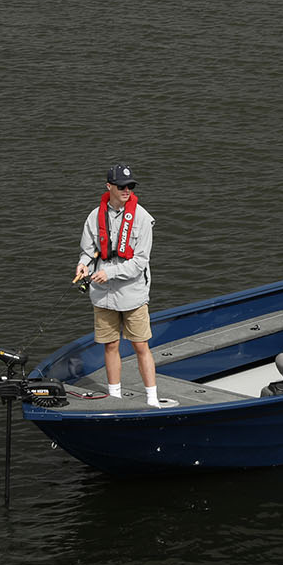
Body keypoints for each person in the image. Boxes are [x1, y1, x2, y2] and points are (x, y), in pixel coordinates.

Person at [73, 163, 176, 407]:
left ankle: (152, 398)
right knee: (111, 344)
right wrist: (83, 264)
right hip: (102, 295)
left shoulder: (142, 217)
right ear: (109, 187)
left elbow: (140, 262)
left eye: (130, 186)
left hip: (132, 293)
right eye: (121, 186)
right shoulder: (94, 216)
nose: (126, 190)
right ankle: (114, 397)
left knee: (141, 345)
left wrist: (110, 272)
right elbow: (88, 251)